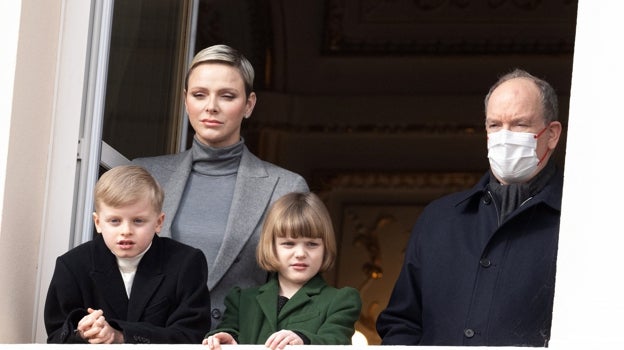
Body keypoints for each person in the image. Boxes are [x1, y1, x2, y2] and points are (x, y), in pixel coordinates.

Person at [376, 68, 564, 347]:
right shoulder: (439, 219)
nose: (505, 135)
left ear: (551, 134)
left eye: (520, 124)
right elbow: (402, 323)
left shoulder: (579, 223)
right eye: (495, 125)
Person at [133, 44, 309, 329]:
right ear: (185, 100)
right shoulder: (144, 174)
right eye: (199, 95)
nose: (211, 107)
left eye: (227, 96)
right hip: (149, 340)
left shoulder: (286, 187)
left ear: (249, 105)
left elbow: (297, 288)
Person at [44, 165, 211, 344]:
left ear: (158, 222)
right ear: (98, 222)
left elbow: (191, 335)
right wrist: (82, 334)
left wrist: (120, 335)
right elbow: (56, 337)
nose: (126, 231)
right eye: (114, 221)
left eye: (138, 221)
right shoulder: (72, 266)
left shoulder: (186, 262)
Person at [202, 192, 362, 350]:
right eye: (288, 244)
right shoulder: (241, 299)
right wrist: (226, 339)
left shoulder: (342, 300)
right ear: (271, 247)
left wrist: (304, 341)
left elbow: (336, 341)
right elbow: (230, 331)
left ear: (326, 247)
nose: (300, 254)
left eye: (312, 244)